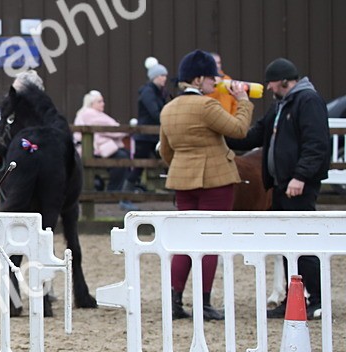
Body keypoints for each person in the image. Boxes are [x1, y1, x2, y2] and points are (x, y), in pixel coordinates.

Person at [226, 58, 331, 319]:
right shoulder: (281, 106)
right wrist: (219, 131)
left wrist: (301, 177)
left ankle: (316, 299)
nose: (269, 87)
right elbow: (252, 136)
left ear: (284, 80)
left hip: (297, 185)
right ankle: (293, 298)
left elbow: (316, 145)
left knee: (302, 243)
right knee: (287, 244)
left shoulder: (308, 102)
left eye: (272, 82)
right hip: (281, 185)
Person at [158, 49, 252, 320]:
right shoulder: (208, 106)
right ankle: (203, 302)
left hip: (183, 181)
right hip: (215, 180)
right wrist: (243, 101)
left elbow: (166, 151)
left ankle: (174, 300)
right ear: (198, 79)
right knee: (209, 240)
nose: (216, 82)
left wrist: (182, 167)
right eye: (212, 78)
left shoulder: (169, 109)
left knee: (184, 241)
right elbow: (238, 130)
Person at [73, 90, 131, 193]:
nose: (103, 104)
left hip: (95, 149)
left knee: (123, 155)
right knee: (122, 158)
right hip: (91, 150)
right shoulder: (90, 114)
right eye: (99, 101)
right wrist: (124, 130)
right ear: (92, 103)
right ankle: (114, 191)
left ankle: (117, 190)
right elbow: (113, 129)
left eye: (102, 101)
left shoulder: (90, 113)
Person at [130, 57, 169, 191]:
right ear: (154, 77)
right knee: (138, 166)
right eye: (161, 75)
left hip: (154, 135)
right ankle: (125, 195)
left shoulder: (160, 93)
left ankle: (173, 190)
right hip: (145, 136)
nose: (164, 78)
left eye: (165, 75)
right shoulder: (148, 92)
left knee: (166, 159)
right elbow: (154, 112)